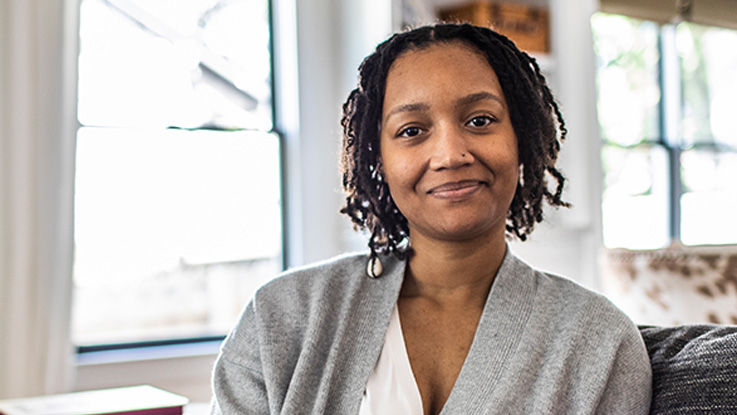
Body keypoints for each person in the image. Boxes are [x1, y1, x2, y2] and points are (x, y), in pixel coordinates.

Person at [210, 23, 652, 414]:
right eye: (412, 131)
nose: (450, 155)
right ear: (377, 158)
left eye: (480, 120)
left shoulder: (601, 342)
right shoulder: (281, 318)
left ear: (523, 139)